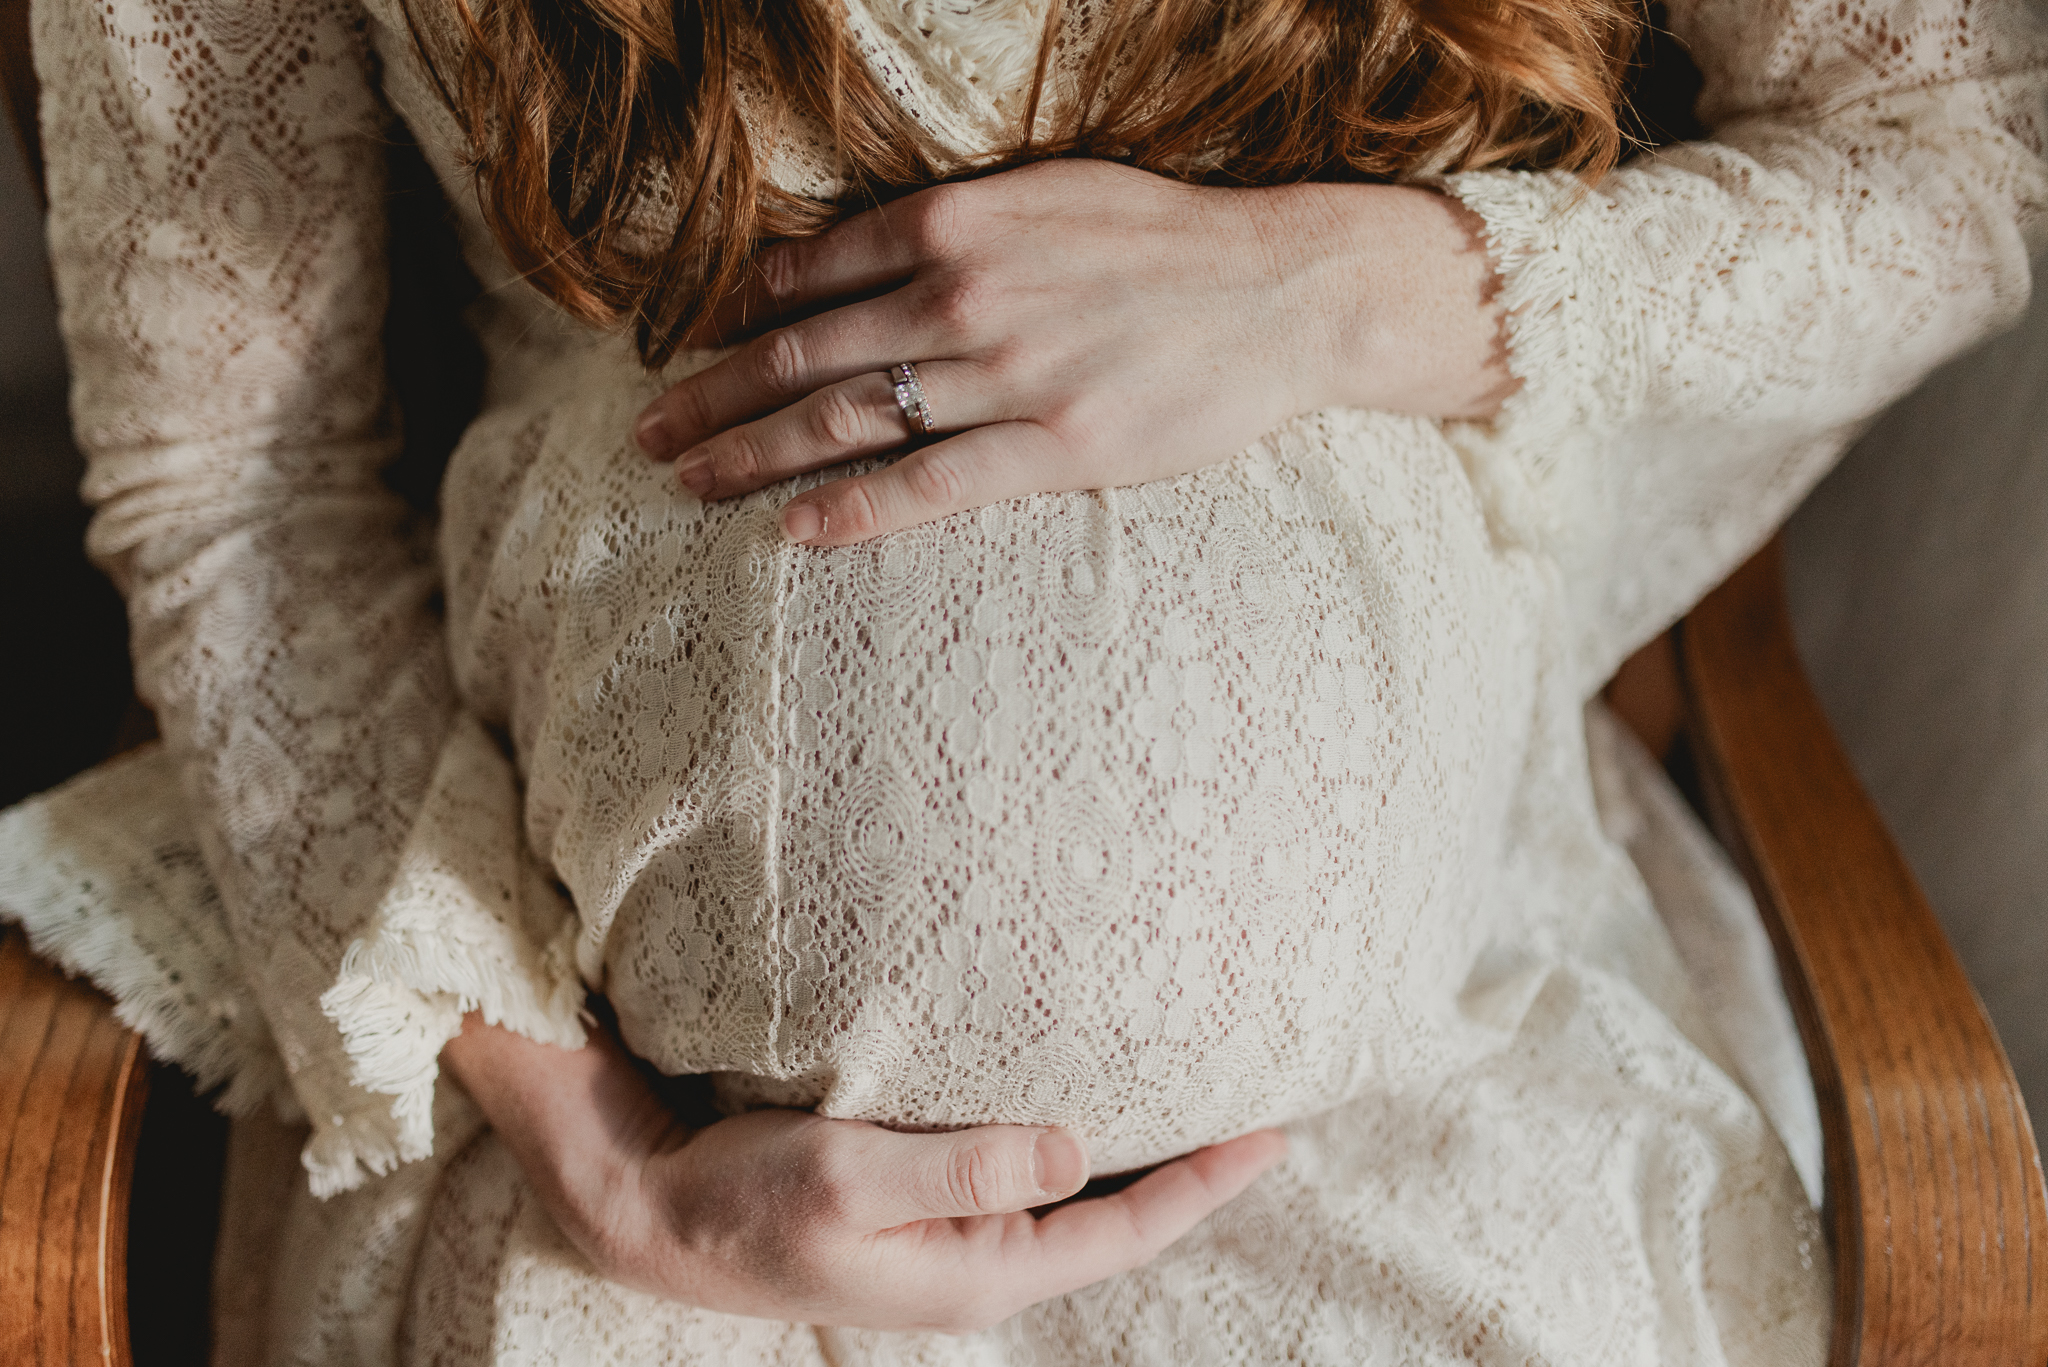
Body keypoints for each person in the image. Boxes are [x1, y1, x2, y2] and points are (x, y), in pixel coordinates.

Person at [1, 0, 2042, 1361]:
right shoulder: (596, 1156)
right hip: (607, 1132)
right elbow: (227, 486)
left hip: (1451, 1057)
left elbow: (1969, 154)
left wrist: (1342, 291)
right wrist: (598, 1155)